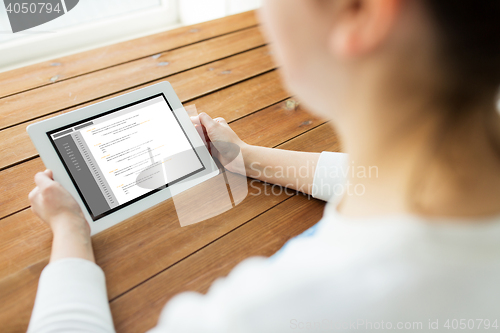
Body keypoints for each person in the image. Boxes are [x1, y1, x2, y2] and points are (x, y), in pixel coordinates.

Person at [27, 0, 500, 332]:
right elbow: (372, 175)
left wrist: (70, 228)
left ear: (359, 10)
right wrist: (245, 158)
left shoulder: (283, 309)